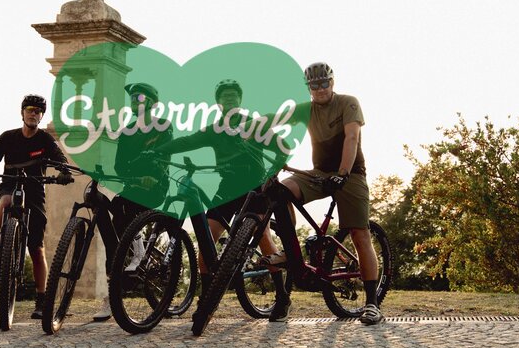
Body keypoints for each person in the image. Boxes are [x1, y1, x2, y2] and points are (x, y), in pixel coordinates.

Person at [148, 79, 290, 323]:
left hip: (255, 188)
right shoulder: (214, 129)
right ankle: (207, 296)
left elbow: (282, 147)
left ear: (240, 100)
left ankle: (282, 296)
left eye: (233, 96)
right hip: (226, 188)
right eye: (225, 97)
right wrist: (159, 150)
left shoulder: (253, 126)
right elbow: (188, 141)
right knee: (207, 236)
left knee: (263, 235)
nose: (229, 99)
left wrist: (272, 173)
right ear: (218, 102)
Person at [272, 62, 384, 325]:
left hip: (351, 173)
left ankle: (372, 304)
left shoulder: (348, 103)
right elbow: (274, 120)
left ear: (332, 82)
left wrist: (343, 172)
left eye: (324, 83)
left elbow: (351, 139)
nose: (320, 88)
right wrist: (248, 131)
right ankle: (290, 250)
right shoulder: (306, 109)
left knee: (359, 234)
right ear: (308, 88)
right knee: (280, 190)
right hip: (319, 173)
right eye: (314, 85)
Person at [0, 94, 73, 319]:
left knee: (37, 249)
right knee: (5, 202)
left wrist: (64, 173)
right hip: (10, 185)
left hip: (35, 190)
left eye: (39, 111)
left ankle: (41, 301)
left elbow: (61, 160)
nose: (34, 114)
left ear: (42, 116)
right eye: (30, 110)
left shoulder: (45, 140)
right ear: (22, 113)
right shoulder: (8, 137)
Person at [92, 83, 173, 321]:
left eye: (138, 97)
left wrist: (153, 174)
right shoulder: (127, 130)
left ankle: (135, 251)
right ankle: (116, 281)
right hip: (132, 185)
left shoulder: (163, 127)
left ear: (151, 102)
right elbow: (119, 164)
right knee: (108, 213)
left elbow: (164, 156)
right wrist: (118, 174)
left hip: (154, 187)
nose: (134, 101)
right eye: (131, 98)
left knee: (125, 214)